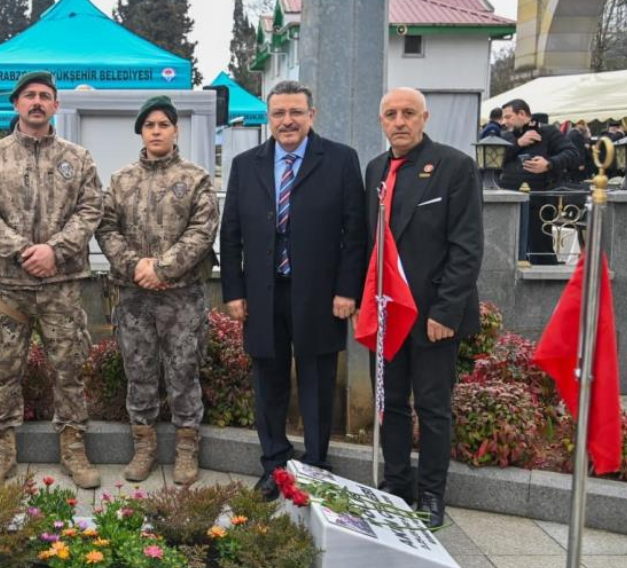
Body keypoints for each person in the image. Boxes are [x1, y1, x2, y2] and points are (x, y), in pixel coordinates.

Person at [219, 80, 366, 498]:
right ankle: (274, 464)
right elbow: (230, 233)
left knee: (318, 381)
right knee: (269, 382)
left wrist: (347, 290)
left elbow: (355, 233)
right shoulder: (247, 164)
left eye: (295, 112)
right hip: (263, 294)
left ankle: (317, 463)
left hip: (321, 294)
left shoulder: (339, 160)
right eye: (279, 113)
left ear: (311, 116)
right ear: (269, 118)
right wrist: (234, 291)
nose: (287, 121)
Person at [0, 71, 103, 488]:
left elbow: (91, 209)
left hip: (61, 284)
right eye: (30, 96)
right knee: (4, 370)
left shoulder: (77, 157)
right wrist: (23, 250)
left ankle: (73, 448)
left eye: (46, 96)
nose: (38, 102)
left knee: (69, 368)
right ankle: (2, 450)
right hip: (10, 285)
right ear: (16, 104)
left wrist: (55, 250)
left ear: (56, 106)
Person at [366, 87, 483, 528]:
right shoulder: (375, 169)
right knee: (390, 403)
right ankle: (397, 485)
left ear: (424, 117)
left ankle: (432, 494)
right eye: (391, 113)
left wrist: (445, 312)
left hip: (432, 315)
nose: (400, 121)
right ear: (382, 121)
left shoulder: (454, 167)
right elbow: (371, 244)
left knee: (432, 408)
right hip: (387, 313)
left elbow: (467, 247)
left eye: (408, 113)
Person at [95, 96, 219, 485]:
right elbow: (105, 227)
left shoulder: (196, 177)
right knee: (139, 369)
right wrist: (135, 267)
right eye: (150, 125)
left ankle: (186, 446)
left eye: (164, 124)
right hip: (134, 296)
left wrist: (162, 268)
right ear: (142, 133)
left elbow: (203, 230)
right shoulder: (121, 179)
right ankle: (144, 445)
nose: (157, 131)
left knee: (184, 369)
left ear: (175, 129)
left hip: (181, 294)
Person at [498, 99, 578, 266]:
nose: (504, 122)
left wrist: (549, 164)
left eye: (508, 117)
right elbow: (496, 158)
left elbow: (572, 154)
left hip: (538, 201)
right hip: (509, 200)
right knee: (507, 248)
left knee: (539, 247)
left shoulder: (548, 132)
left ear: (522, 114)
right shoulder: (506, 136)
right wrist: (518, 143)